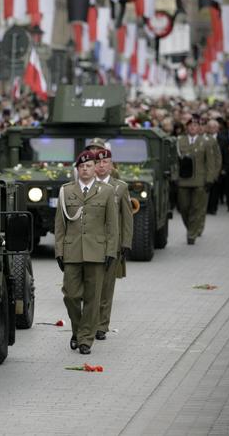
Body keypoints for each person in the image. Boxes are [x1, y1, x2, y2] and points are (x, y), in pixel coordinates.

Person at [55, 150, 119, 355]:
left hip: (97, 252)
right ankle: (78, 329)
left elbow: (112, 225)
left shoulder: (107, 191)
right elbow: (60, 225)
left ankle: (85, 340)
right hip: (72, 251)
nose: (85, 169)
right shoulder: (66, 191)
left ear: (94, 168)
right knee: (71, 295)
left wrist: (110, 252)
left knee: (93, 297)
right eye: (82, 166)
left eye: (89, 165)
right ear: (77, 169)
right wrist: (59, 251)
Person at [87, 141, 133, 341]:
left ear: (111, 165)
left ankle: (102, 326)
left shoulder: (120, 187)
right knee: (89, 286)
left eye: (105, 162)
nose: (101, 165)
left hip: (111, 243)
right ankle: (88, 322)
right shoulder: (87, 185)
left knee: (106, 287)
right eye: (98, 162)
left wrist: (126, 243)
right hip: (89, 243)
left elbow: (127, 216)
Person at [176, 116, 218, 244]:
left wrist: (210, 179)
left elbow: (210, 162)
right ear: (187, 128)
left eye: (195, 126)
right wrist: (174, 177)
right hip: (183, 180)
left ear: (199, 128)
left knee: (196, 208)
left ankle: (191, 234)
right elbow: (174, 161)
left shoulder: (205, 142)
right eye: (190, 126)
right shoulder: (180, 141)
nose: (193, 128)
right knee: (184, 208)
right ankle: (191, 228)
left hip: (200, 180)